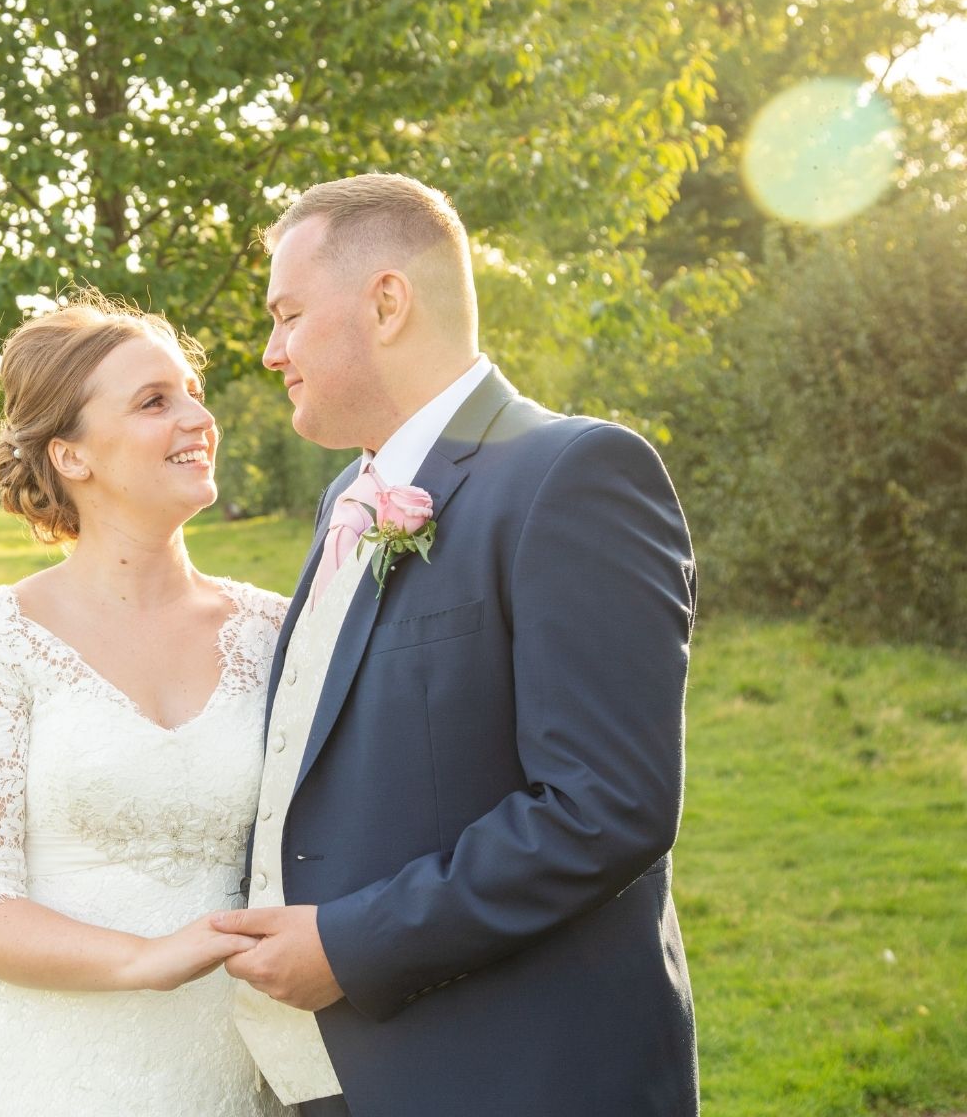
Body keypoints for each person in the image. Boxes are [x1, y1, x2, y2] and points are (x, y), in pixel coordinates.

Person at [212, 173, 700, 1116]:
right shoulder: (346, 498)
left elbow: (605, 808)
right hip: (336, 1076)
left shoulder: (574, 475)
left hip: (510, 1073)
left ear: (386, 302)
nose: (272, 352)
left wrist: (349, 947)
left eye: (287, 316)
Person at [0, 293, 294, 1116]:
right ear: (72, 458)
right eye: (156, 401)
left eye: (191, 390)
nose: (198, 415)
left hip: (227, 1066)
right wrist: (141, 959)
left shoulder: (274, 633)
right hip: (38, 1073)